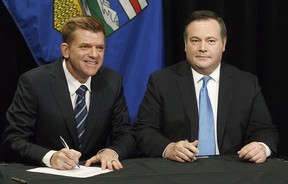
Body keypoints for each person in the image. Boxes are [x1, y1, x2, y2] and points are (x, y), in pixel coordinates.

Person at [134, 10, 278, 164]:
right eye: (195, 40)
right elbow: (144, 130)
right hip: (179, 171)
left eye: (210, 41)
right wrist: (169, 148)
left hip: (231, 169)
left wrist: (261, 147)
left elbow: (265, 130)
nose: (202, 47)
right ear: (185, 45)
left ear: (223, 44)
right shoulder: (161, 81)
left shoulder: (246, 83)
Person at [1, 15, 135, 170]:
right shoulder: (34, 82)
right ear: (65, 50)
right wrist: (50, 157)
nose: (94, 54)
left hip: (94, 175)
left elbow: (126, 133)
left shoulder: (112, 81)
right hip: (46, 176)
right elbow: (12, 140)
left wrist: (111, 151)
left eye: (100, 47)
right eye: (85, 46)